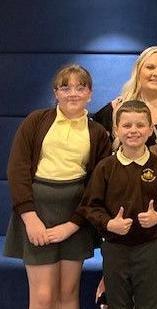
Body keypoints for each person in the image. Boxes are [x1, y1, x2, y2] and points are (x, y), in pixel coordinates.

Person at [3, 64, 111, 309]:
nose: (73, 93)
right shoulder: (36, 121)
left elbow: (97, 185)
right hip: (37, 215)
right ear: (56, 93)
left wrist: (73, 225)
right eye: (65, 87)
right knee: (43, 297)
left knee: (68, 295)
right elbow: (17, 169)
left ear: (90, 93)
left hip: (76, 219)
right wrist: (30, 219)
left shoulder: (97, 133)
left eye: (80, 87)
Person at [93, 45, 157, 308]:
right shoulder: (116, 108)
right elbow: (98, 159)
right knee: (123, 290)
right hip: (126, 215)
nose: (156, 73)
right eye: (150, 67)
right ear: (138, 70)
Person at [77, 100, 157, 308]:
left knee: (150, 302)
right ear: (116, 129)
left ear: (150, 129)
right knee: (117, 302)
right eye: (127, 125)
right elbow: (89, 207)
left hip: (149, 247)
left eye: (140, 125)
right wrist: (108, 223)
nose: (134, 131)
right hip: (115, 247)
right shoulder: (106, 167)